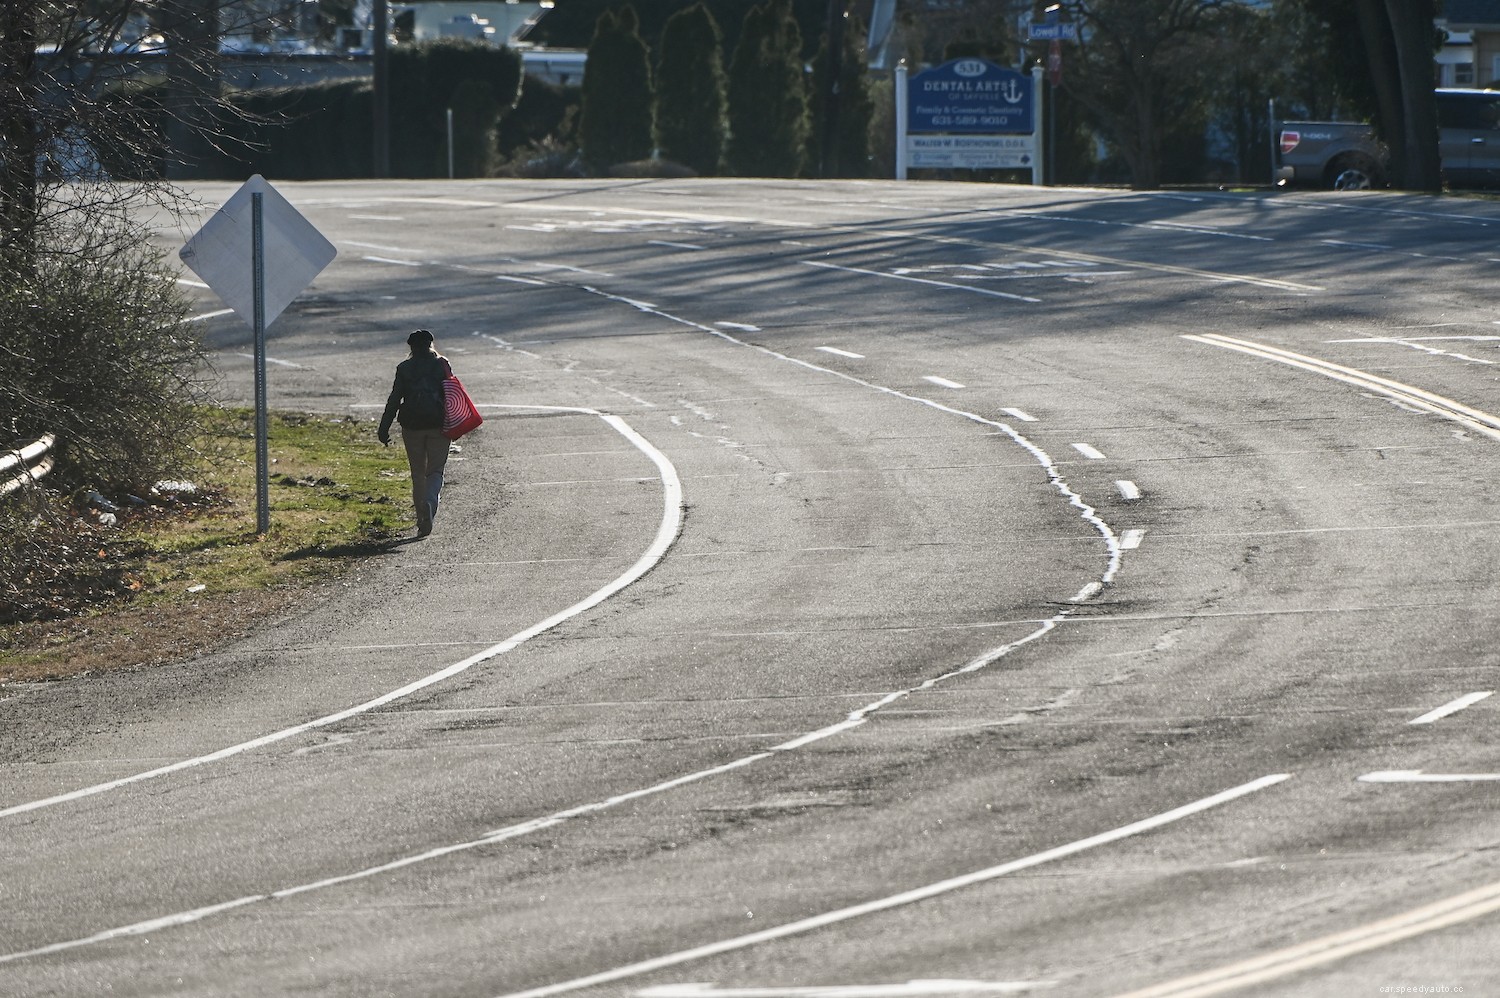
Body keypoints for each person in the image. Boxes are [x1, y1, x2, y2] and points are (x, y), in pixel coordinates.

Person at [378, 329, 452, 538]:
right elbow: (453, 393)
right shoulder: (442, 364)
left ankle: (422, 520)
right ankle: (430, 501)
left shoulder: (404, 368)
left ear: (411, 347)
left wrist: (384, 427)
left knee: (418, 473)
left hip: (412, 426)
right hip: (438, 424)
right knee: (435, 471)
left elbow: (394, 399)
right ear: (430, 344)